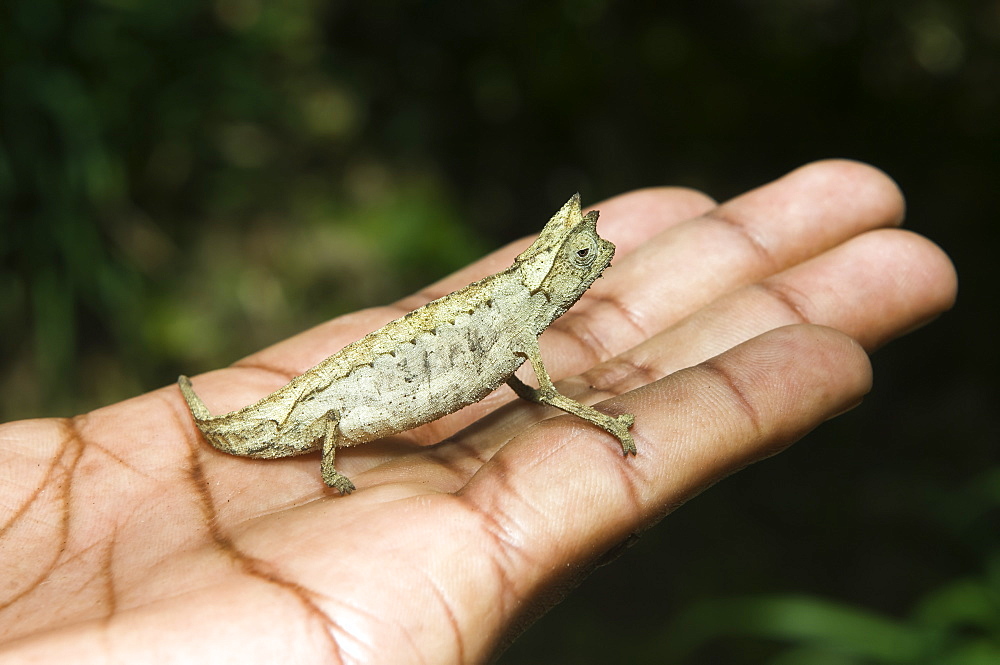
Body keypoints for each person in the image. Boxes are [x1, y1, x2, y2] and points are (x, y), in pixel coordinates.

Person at [0, 160, 956, 663]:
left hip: (411, 364)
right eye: (580, 263)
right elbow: (533, 384)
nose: (592, 271)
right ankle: (322, 448)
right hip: (349, 400)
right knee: (316, 412)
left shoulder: (520, 315)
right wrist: (602, 417)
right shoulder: (520, 322)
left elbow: (518, 370)